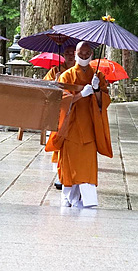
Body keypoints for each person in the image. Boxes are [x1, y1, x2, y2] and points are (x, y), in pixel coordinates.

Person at [45, 41, 113, 208]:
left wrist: (97, 90)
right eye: (81, 53)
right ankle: (69, 197)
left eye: (87, 54)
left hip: (90, 126)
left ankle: (88, 199)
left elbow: (103, 103)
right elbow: (61, 101)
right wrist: (81, 94)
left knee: (87, 166)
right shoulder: (66, 75)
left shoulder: (98, 76)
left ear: (91, 55)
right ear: (75, 53)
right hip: (71, 127)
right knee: (69, 165)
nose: (83, 56)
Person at [43, 45, 76, 190]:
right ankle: (59, 175)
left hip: (76, 111)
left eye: (72, 53)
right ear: (63, 54)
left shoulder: (80, 71)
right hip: (60, 111)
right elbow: (45, 88)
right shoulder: (56, 70)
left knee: (72, 145)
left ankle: (73, 175)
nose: (70, 56)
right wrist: (54, 82)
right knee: (58, 142)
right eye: (67, 53)